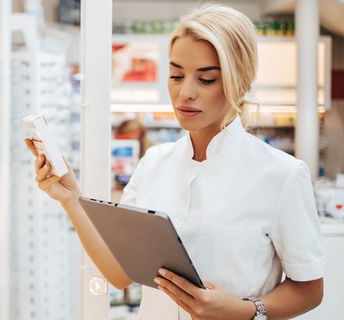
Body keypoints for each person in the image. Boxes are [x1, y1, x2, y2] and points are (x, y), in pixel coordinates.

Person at [25, 4, 325, 320]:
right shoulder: (154, 163)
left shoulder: (282, 175)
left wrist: (246, 311)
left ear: (240, 80)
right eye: (176, 75)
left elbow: (309, 289)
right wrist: (71, 199)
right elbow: (119, 273)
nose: (185, 93)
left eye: (206, 79)